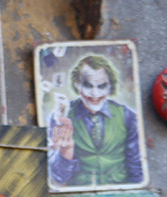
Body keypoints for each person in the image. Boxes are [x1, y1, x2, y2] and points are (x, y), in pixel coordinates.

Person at [49, 54, 144, 188]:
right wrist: (66, 151)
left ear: (110, 85)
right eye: (88, 86)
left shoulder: (128, 116)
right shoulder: (60, 118)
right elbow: (57, 178)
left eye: (101, 86)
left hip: (119, 195)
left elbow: (138, 168)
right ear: (77, 84)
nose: (95, 94)